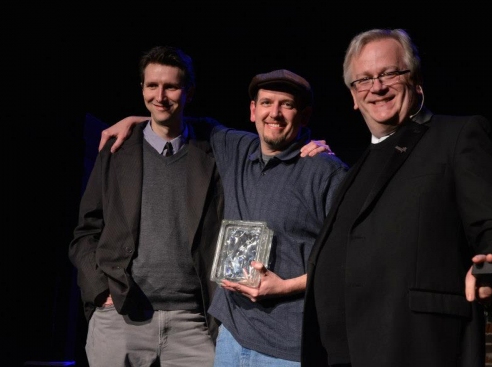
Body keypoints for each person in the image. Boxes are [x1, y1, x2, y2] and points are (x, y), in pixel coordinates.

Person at [300, 28, 492, 367]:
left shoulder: (457, 137)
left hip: (418, 346)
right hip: (340, 354)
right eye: (363, 79)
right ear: (353, 95)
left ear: (415, 79)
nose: (376, 87)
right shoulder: (355, 168)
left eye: (389, 73)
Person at [99, 69, 349, 366]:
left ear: (304, 116)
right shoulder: (236, 148)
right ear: (253, 111)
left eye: (288, 105)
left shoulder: (325, 172)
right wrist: (133, 120)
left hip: (289, 349)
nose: (275, 114)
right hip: (231, 338)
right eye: (267, 103)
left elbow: (350, 260)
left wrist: (286, 286)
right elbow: (171, 118)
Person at [69, 46, 225, 367]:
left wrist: (307, 143)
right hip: (122, 316)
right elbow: (86, 231)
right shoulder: (116, 149)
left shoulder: (213, 149)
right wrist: (100, 291)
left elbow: (266, 140)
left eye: (171, 86)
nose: (160, 95)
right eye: (152, 85)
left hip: (192, 323)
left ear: (189, 92)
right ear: (141, 88)